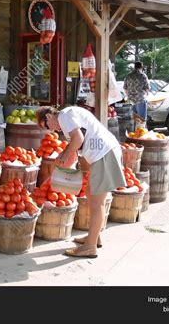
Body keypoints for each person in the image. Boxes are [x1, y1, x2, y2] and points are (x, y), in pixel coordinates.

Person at [36, 106, 126, 259]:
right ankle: (94, 237)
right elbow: (75, 150)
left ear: (49, 116)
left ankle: (89, 248)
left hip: (104, 154)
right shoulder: (67, 120)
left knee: (97, 204)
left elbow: (78, 139)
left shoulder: (64, 116)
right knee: (91, 196)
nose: (50, 130)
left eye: (46, 125)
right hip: (103, 154)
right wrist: (59, 170)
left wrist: (64, 154)